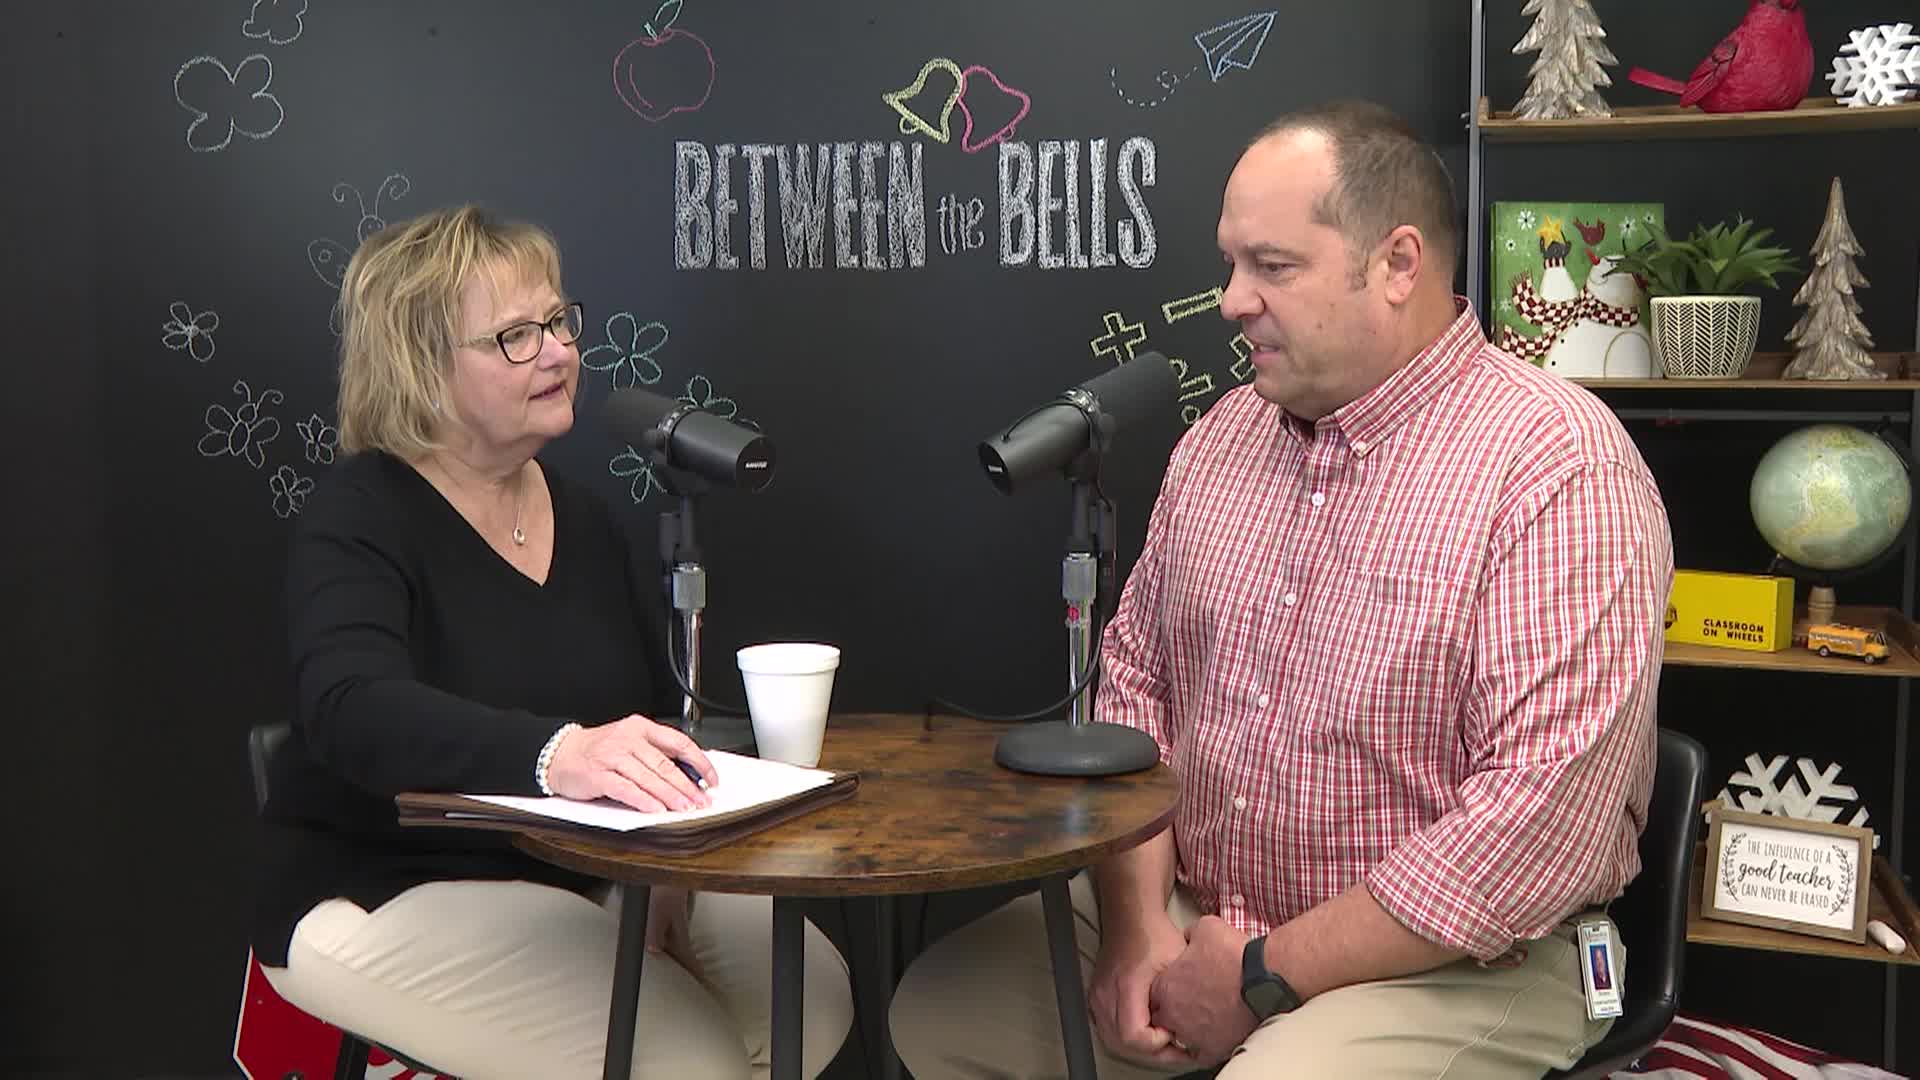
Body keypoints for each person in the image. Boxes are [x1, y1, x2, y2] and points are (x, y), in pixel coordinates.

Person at [889, 100, 1673, 1079]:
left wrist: (1261, 976)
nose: (1230, 301)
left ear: (1396, 265)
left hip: (1463, 959)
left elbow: (1535, 828)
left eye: (1272, 266)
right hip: (1201, 913)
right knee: (941, 1014)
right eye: (1230, 264)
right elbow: (1136, 695)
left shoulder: (1558, 468)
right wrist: (1136, 929)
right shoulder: (1220, 440)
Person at [251, 204, 853, 1079]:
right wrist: (555, 754)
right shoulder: (359, 514)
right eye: (516, 337)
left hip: (580, 874)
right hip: (379, 882)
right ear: (422, 368)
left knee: (810, 999)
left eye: (559, 321)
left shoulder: (586, 518)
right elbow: (352, 709)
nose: (561, 353)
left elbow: (649, 714)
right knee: (690, 1064)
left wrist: (670, 869)